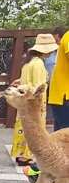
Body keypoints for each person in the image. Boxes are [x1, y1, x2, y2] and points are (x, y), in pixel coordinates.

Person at [10, 35, 56, 163]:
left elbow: (25, 80)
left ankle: (20, 153)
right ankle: (28, 155)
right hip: (35, 102)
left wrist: (20, 84)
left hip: (24, 100)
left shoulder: (28, 62)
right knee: (35, 129)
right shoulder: (38, 64)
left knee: (24, 126)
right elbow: (37, 86)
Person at [48, 27, 69, 130]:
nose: (57, 44)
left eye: (56, 41)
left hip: (60, 96)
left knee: (60, 134)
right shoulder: (68, 36)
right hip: (64, 96)